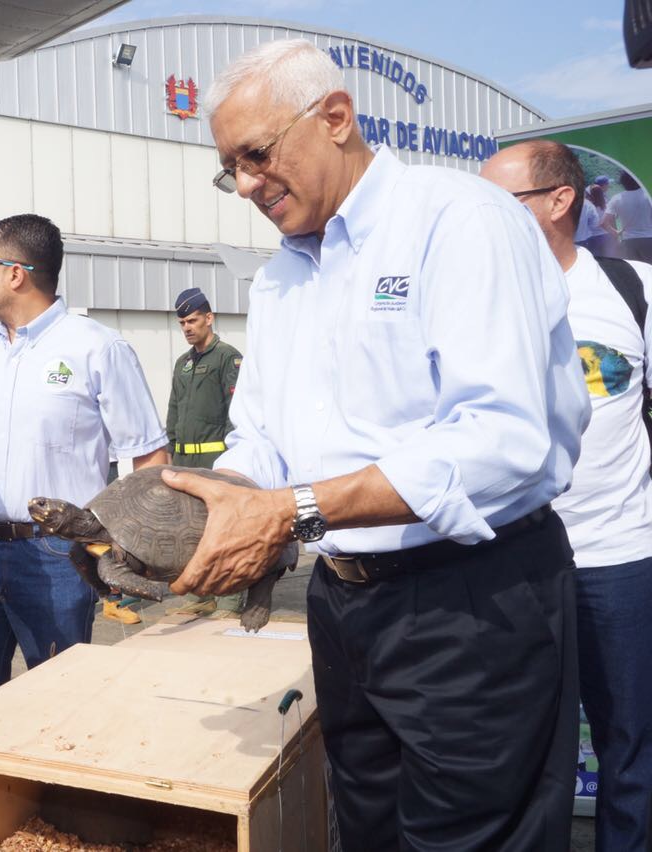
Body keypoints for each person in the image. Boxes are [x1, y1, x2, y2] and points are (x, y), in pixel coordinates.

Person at [165, 40, 588, 850]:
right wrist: (207, 513)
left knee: (472, 837)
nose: (247, 186)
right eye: (231, 170)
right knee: (364, 830)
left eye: (257, 155)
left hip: (471, 600)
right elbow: (260, 439)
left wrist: (291, 511)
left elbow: (502, 439)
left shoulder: (457, 220)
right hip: (343, 601)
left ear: (335, 118)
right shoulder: (280, 277)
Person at [0, 213, 169, 710]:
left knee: (62, 703)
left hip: (58, 556)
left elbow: (147, 457)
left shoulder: (96, 348)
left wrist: (129, 555)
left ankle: (58, 790)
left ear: (15, 273)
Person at [484, 140, 652, 852]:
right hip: (508, 568)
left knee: (632, 751)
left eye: (500, 201)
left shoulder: (632, 289)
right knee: (517, 757)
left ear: (559, 202)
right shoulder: (471, 303)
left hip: (620, 559)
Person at [166, 287, 242, 470]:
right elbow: (173, 411)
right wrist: (170, 454)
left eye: (192, 321)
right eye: (182, 323)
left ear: (208, 318)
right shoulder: (182, 363)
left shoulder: (227, 357)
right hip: (181, 463)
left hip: (214, 463)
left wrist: (230, 462)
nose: (187, 328)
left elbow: (236, 414)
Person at [603, 172, 652, 263]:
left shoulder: (616, 198)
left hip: (628, 241)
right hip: (649, 238)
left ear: (622, 183)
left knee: (635, 273)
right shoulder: (648, 195)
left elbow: (604, 223)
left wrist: (616, 234)